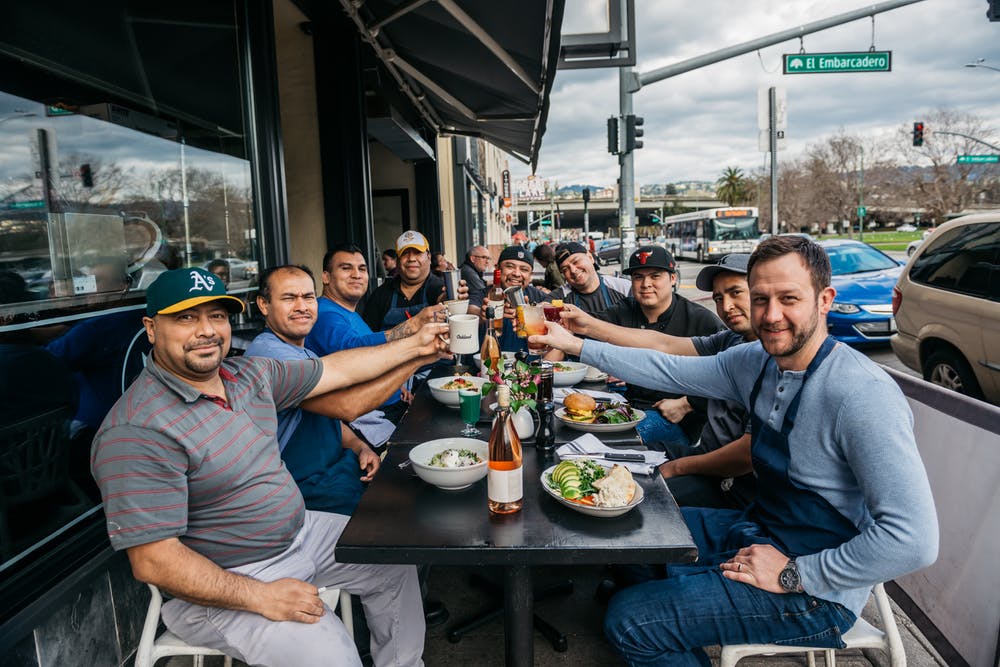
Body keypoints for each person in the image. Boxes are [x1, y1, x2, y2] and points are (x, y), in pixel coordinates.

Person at [533, 236, 938, 664]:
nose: (771, 315)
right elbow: (667, 365)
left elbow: (913, 540)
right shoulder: (756, 360)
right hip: (759, 530)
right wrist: (577, 345)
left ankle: (662, 624)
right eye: (761, 299)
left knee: (628, 621)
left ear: (824, 301)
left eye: (788, 298)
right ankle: (679, 626)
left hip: (818, 592)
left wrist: (795, 574)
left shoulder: (861, 393)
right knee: (632, 534)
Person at [91, 267, 447, 666]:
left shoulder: (246, 376)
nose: (206, 330)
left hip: (300, 534)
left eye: (216, 316)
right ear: (151, 328)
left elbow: (340, 369)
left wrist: (418, 347)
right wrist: (260, 596)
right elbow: (154, 561)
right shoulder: (137, 428)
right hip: (230, 581)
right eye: (185, 318)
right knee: (331, 655)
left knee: (392, 558)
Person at [560, 253, 758, 510]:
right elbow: (661, 346)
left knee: (635, 496)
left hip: (732, 482)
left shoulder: (768, 357)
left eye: (736, 293)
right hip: (704, 453)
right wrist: (583, 329)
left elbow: (745, 455)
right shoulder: (730, 340)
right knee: (612, 460)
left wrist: (677, 463)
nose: (727, 306)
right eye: (718, 298)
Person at [245, 265, 380, 516]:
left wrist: (360, 446)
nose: (302, 306)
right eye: (289, 298)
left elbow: (329, 416)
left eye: (308, 297)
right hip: (303, 489)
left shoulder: (303, 352)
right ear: (264, 305)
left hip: (336, 469)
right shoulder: (270, 355)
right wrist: (417, 351)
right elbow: (346, 406)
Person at [592, 246, 724, 451]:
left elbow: (729, 376)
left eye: (655, 276)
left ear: (673, 278)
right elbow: (589, 327)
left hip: (675, 418)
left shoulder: (701, 320)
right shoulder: (625, 309)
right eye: (638, 277)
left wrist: (688, 403)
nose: (646, 284)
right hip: (628, 405)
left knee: (610, 440)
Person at [307, 244, 442, 427]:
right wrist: (413, 325)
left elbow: (376, 356)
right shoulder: (324, 313)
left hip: (392, 401)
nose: (356, 274)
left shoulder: (349, 312)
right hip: (369, 417)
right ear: (326, 277)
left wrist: (396, 386)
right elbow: (353, 352)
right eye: (346, 268)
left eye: (362, 269)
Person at [364, 231, 460, 332]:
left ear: (429, 257)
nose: (411, 258)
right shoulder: (380, 295)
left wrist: (453, 300)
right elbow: (368, 338)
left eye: (418, 252)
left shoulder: (439, 288)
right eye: (405, 253)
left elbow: (444, 301)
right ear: (398, 260)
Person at [481, 245, 548, 353]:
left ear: (530, 275)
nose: (516, 274)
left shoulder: (541, 297)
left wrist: (534, 314)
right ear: (498, 269)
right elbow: (471, 310)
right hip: (489, 360)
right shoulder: (483, 295)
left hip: (530, 362)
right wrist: (482, 315)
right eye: (510, 266)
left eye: (524, 269)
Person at [549, 241, 630, 315]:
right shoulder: (561, 296)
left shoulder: (624, 288)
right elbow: (545, 305)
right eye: (565, 269)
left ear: (590, 257)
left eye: (576, 261)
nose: (573, 270)